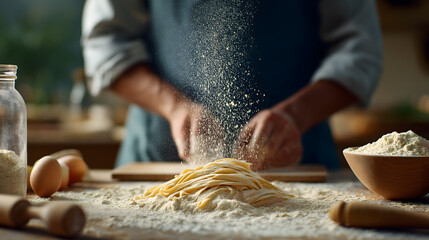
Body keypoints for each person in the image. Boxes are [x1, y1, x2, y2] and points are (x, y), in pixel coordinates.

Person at [82, 0, 382, 170]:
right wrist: (173, 107)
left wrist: (297, 113)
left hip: (299, 168)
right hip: (157, 161)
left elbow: (359, 49)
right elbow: (107, 44)